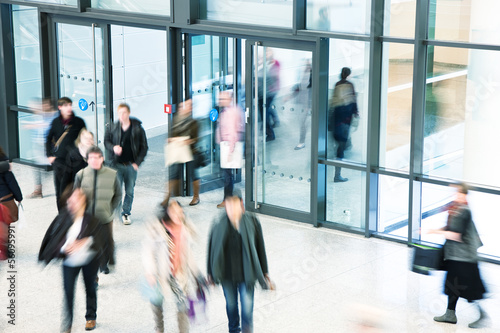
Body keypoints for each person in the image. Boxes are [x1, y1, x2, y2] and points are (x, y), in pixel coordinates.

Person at [207, 191, 273, 333]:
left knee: (247, 308)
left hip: (247, 273)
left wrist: (265, 272)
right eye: (228, 204)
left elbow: (260, 247)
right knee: (231, 306)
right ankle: (234, 330)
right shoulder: (218, 224)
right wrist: (210, 274)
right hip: (226, 274)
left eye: (234, 204)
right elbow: (211, 249)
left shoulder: (252, 221)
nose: (231, 208)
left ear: (241, 204)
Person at [39, 188, 103, 332]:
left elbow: (100, 241)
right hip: (69, 262)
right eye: (70, 200)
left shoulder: (91, 219)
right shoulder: (62, 218)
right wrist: (64, 248)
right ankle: (67, 325)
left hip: (89, 260)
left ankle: (91, 317)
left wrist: (85, 241)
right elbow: (52, 241)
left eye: (76, 199)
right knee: (68, 292)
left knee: (90, 288)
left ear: (83, 201)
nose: (71, 202)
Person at [428, 183, 488, 329]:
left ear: (464, 195)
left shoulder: (464, 211)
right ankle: (450, 314)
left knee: (469, 290)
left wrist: (434, 232)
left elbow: (456, 235)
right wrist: (434, 229)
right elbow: (450, 227)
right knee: (452, 286)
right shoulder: (456, 209)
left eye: (459, 193)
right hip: (456, 257)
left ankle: (482, 316)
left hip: (464, 258)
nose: (456, 195)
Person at [143, 200, 201, 333]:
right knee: (157, 302)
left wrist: (196, 274)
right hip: (160, 273)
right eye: (174, 211)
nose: (177, 214)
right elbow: (148, 251)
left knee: (182, 304)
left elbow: (188, 254)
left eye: (179, 211)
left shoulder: (184, 228)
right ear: (167, 212)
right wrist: (150, 272)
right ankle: (159, 328)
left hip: (178, 274)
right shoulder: (157, 228)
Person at [74, 146, 121, 275]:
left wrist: (110, 208)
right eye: (91, 158)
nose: (94, 160)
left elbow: (118, 194)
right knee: (91, 245)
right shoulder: (81, 175)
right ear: (87, 160)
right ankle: (94, 274)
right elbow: (76, 195)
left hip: (105, 217)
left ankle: (105, 263)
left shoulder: (112, 175)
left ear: (102, 159)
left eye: (97, 157)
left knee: (106, 243)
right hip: (87, 218)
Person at [104, 103, 148, 225]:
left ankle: (126, 213)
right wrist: (113, 148)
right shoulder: (112, 127)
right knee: (117, 191)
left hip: (130, 165)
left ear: (128, 113)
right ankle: (116, 212)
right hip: (116, 165)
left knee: (129, 191)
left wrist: (137, 163)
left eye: (124, 113)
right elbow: (106, 142)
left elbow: (144, 147)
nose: (121, 116)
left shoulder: (138, 128)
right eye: (119, 113)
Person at [46, 97, 86, 210]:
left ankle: (76, 213)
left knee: (75, 188)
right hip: (60, 161)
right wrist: (49, 155)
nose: (69, 108)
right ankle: (62, 216)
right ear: (60, 107)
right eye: (65, 105)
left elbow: (85, 138)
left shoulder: (79, 122)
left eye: (70, 105)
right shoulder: (55, 122)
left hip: (75, 161)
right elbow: (48, 139)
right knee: (60, 191)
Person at [165, 99, 201, 206]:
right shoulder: (176, 120)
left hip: (190, 152)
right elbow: (172, 134)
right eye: (183, 106)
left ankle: (196, 197)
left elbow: (196, 138)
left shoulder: (194, 122)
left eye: (188, 106)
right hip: (178, 151)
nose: (184, 108)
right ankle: (168, 197)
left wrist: (188, 141)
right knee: (173, 173)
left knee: (193, 174)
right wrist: (172, 139)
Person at [328, 67, 359, 182]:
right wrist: (356, 113)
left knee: (339, 145)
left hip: (336, 121)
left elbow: (333, 103)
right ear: (349, 75)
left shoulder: (337, 85)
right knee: (341, 148)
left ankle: (337, 171)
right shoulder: (350, 85)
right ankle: (337, 175)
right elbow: (354, 102)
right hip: (344, 122)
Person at [215, 91, 245, 209]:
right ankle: (230, 198)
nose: (220, 101)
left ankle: (227, 200)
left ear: (229, 99)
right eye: (220, 99)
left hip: (229, 146)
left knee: (228, 176)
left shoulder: (231, 112)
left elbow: (233, 132)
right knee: (227, 174)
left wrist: (230, 152)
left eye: (222, 99)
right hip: (225, 145)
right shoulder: (226, 110)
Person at [0, 146, 23, 261]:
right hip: (4, 199)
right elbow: (11, 181)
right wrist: (19, 197)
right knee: (5, 225)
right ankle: (6, 248)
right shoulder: (3, 162)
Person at [60, 129, 95, 200]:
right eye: (85, 138)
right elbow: (66, 176)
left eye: (90, 138)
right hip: (77, 190)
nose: (88, 140)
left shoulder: (96, 154)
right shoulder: (73, 154)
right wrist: (64, 195)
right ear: (80, 139)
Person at [293, 59, 312, 150]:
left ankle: (302, 142)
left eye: (307, 65)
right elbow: (300, 88)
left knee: (303, 124)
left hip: (307, 105)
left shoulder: (312, 77)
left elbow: (311, 92)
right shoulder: (304, 75)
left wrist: (308, 106)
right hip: (302, 103)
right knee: (303, 123)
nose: (305, 67)